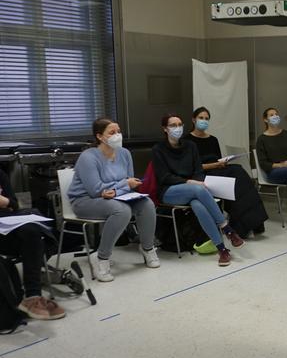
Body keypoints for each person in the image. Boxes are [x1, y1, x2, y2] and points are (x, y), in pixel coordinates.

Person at [69, 118, 160, 282]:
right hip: (84, 201)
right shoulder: (88, 157)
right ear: (99, 136)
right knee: (122, 210)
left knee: (147, 204)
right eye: (112, 132)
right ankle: (101, 258)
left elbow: (130, 183)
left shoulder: (124, 153)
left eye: (118, 131)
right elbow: (96, 190)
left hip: (117, 197)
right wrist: (123, 184)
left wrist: (118, 187)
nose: (117, 135)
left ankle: (147, 248)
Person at [152, 114, 244, 267]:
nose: (178, 128)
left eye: (180, 124)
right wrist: (189, 182)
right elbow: (164, 176)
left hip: (193, 189)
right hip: (169, 191)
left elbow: (198, 170)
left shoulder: (190, 146)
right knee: (197, 190)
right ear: (165, 129)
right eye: (173, 125)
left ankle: (222, 249)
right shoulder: (158, 149)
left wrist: (197, 181)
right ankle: (226, 228)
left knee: (198, 204)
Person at [184, 106, 268, 236]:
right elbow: (192, 167)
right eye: (201, 118)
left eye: (207, 118)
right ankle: (243, 224)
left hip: (217, 171)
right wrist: (214, 165)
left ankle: (251, 221)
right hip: (202, 175)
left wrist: (222, 163)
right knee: (236, 175)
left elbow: (218, 159)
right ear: (194, 120)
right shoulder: (187, 141)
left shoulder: (213, 139)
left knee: (239, 172)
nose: (204, 120)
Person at [0, 168, 65, 320]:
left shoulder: (1, 174)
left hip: (7, 223)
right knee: (31, 239)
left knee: (33, 231)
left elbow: (14, 205)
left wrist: (6, 201)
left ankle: (33, 296)